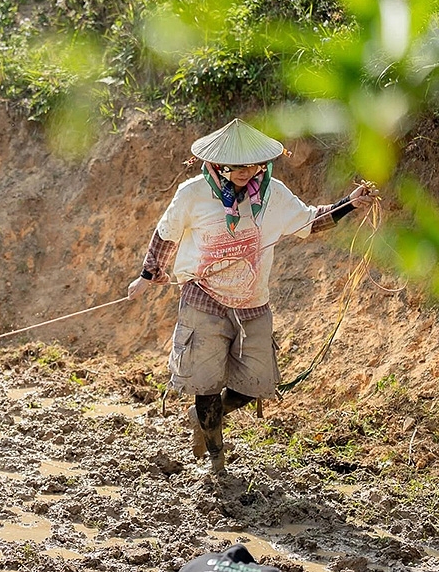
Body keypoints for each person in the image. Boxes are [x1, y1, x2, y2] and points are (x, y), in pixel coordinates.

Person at [128, 118, 376, 474]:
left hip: (252, 303)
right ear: (218, 164)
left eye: (253, 165)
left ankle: (203, 419)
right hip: (203, 296)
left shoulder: (273, 195)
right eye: (237, 166)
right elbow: (165, 234)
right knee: (206, 383)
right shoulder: (193, 193)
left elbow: (310, 221)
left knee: (256, 384)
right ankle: (216, 460)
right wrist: (147, 277)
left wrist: (349, 203)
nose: (246, 172)